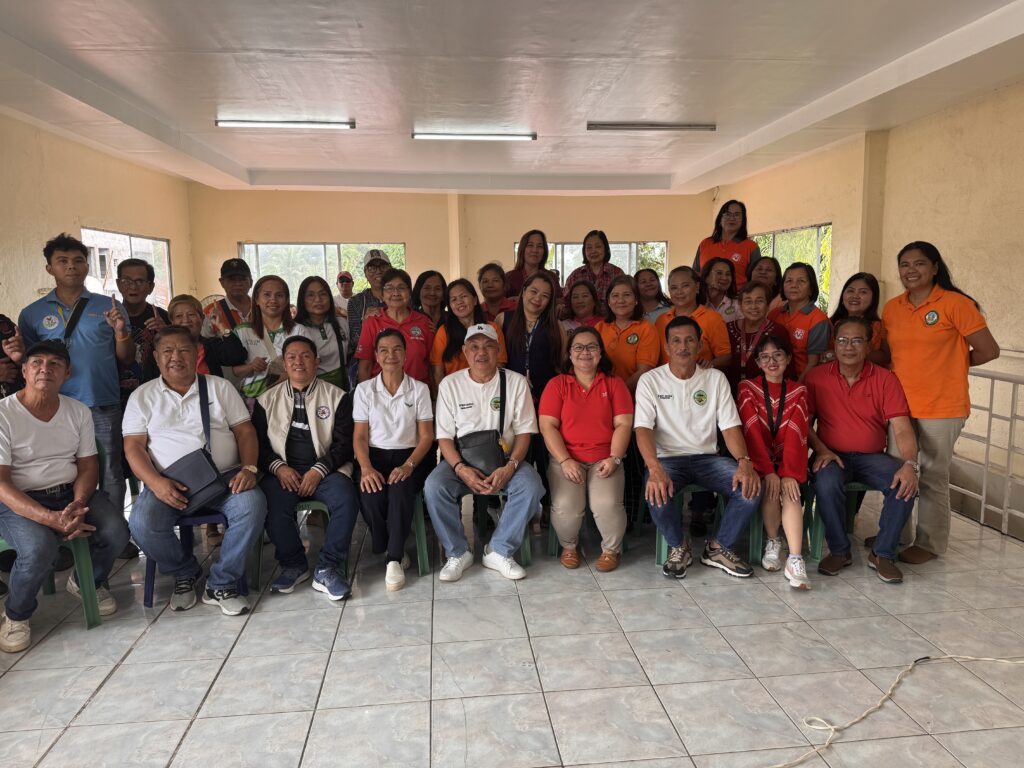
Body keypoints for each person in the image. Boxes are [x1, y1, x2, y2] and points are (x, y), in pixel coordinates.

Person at [124, 326, 267, 615]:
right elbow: (134, 447)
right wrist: (155, 483)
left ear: (197, 353)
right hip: (168, 484)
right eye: (167, 351)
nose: (176, 357)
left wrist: (249, 468)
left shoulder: (219, 387)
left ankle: (221, 582)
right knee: (141, 523)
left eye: (184, 350)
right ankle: (184, 572)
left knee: (252, 504)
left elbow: (245, 432)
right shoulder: (142, 396)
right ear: (156, 357)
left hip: (224, 479)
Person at [0, 341, 130, 652]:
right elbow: (2, 483)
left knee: (117, 532)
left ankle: (87, 582)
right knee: (39, 549)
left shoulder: (78, 411)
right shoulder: (4, 413)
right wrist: (50, 518)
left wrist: (78, 504)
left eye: (55, 364)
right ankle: (16, 614)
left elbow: (88, 466)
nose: (45, 369)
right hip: (18, 500)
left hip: (70, 493)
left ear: (67, 373)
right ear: (24, 370)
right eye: (37, 363)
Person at [881, 241, 1000, 563]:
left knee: (933, 476)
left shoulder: (956, 304)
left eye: (919, 263)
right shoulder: (893, 308)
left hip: (942, 406)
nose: (911, 271)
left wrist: (954, 363)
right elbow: (892, 354)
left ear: (935, 268)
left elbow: (989, 350)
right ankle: (895, 535)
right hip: (900, 406)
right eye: (904, 264)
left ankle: (929, 544)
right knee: (897, 471)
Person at [635, 316, 761, 579]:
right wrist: (654, 468)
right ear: (666, 347)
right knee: (655, 491)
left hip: (707, 458)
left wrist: (744, 461)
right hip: (667, 459)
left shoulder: (715, 379)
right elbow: (643, 429)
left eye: (689, 340)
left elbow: (730, 427)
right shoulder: (650, 380)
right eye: (676, 341)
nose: (683, 347)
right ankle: (679, 546)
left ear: (700, 345)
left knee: (749, 488)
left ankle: (719, 548)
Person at [19, 233, 135, 513]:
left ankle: (114, 529)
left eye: (78, 260)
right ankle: (69, 525)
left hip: (101, 402)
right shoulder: (32, 313)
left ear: (87, 266)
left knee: (110, 469)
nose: (71, 266)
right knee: (61, 470)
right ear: (50, 268)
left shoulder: (109, 307)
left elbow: (127, 358)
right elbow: (30, 363)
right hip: (53, 406)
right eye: (62, 261)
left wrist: (120, 332)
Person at [805, 317, 922, 582]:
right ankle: (839, 550)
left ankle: (883, 553)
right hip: (831, 455)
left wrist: (910, 464)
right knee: (826, 483)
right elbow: (804, 424)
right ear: (834, 345)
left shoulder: (885, 379)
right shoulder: (816, 377)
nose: (849, 347)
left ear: (869, 346)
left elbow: (903, 428)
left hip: (872, 457)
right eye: (842, 340)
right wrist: (821, 450)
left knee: (904, 483)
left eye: (857, 341)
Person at [425, 323, 543, 582]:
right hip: (460, 461)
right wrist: (461, 469)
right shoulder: (450, 384)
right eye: (474, 347)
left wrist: (510, 467)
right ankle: (458, 552)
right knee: (434, 487)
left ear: (498, 351)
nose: (481, 352)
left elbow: (524, 432)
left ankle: (499, 550)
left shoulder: (516, 382)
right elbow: (444, 437)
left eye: (489, 346)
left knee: (531, 485)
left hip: (506, 460)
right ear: (465, 352)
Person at [251, 335, 359, 600]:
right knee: (271, 503)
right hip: (282, 472)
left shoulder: (337, 397)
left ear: (317, 361)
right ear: (284, 363)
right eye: (291, 357)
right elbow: (257, 446)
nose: (298, 362)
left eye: (305, 356)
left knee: (346, 499)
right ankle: (294, 564)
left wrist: (318, 470)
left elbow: (344, 445)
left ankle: (328, 567)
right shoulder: (266, 400)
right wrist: (278, 468)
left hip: (326, 470)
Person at [539, 327, 632, 571]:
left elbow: (624, 424)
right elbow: (547, 426)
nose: (585, 352)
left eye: (591, 347)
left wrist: (614, 458)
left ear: (600, 353)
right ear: (569, 354)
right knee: (566, 507)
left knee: (606, 504)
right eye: (578, 347)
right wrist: (565, 460)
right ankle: (569, 547)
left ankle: (611, 550)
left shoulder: (614, 384)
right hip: (567, 460)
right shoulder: (557, 384)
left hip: (605, 459)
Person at [353, 329, 434, 592]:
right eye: (384, 350)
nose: (391, 355)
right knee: (370, 495)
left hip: (412, 456)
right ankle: (387, 542)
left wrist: (409, 465)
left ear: (405, 354)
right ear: (376, 356)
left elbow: (426, 437)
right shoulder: (364, 390)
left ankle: (394, 559)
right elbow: (360, 436)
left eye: (397, 349)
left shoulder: (419, 389)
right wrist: (366, 468)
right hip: (374, 456)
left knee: (400, 491)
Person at [737, 335, 810, 589]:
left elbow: (796, 432)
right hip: (758, 459)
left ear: (788, 358)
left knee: (791, 491)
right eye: (765, 357)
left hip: (789, 458)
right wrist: (768, 470)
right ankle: (773, 540)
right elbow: (751, 431)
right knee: (770, 485)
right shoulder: (747, 388)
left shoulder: (799, 391)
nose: (772, 361)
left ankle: (795, 558)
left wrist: (788, 472)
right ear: (757, 362)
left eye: (778, 355)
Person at [499, 272, 566, 508]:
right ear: (523, 291)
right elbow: (499, 360)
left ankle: (548, 506)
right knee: (514, 449)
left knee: (545, 452)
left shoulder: (556, 326)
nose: (538, 299)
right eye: (534, 292)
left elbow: (561, 364)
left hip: (545, 399)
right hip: (511, 398)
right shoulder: (503, 319)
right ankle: (513, 504)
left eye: (545, 296)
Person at [233, 275, 312, 399]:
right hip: (252, 400)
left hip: (290, 398)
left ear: (286, 300)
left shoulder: (299, 330)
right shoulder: (242, 331)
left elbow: (311, 364)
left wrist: (289, 375)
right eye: (267, 295)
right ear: (256, 299)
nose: (273, 300)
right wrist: (251, 366)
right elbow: (235, 371)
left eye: (279, 295)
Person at [355, 268, 434, 385]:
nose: (396, 293)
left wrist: (433, 394)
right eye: (389, 288)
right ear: (382, 295)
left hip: (418, 392)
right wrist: (365, 394)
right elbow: (365, 367)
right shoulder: (372, 322)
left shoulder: (424, 322)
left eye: (401, 288)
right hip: (381, 393)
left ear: (409, 293)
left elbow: (432, 364)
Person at [430, 279, 508, 384]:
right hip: (454, 389)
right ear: (450, 306)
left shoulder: (492, 328)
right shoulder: (443, 332)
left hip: (488, 387)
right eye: (454, 299)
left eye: (463, 296)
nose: (459, 302)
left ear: (475, 300)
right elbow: (437, 371)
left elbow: (500, 364)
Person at [654, 266, 731, 370]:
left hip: (700, 378)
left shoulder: (712, 318)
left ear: (697, 287)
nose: (679, 292)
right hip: (665, 379)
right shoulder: (661, 320)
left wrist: (709, 364)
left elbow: (726, 357)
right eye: (674, 288)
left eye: (685, 286)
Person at [115, 258, 170, 399]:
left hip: (156, 395)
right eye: (126, 281)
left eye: (139, 281)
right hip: (115, 395)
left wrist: (166, 332)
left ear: (151, 287)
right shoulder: (109, 318)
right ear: (118, 284)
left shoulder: (163, 317)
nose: (133, 287)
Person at [595, 276, 659, 394]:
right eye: (615, 296)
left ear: (636, 300)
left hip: (633, 397)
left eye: (627, 295)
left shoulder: (647, 329)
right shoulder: (599, 327)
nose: (621, 300)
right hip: (600, 394)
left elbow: (644, 371)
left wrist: (617, 394)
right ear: (608, 301)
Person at [726, 281, 791, 390]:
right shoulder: (727, 329)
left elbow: (787, 372)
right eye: (748, 301)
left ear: (768, 305)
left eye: (759, 301)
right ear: (740, 305)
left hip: (766, 396)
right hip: (728, 394)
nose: (754, 306)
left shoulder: (778, 331)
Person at [769, 263, 830, 379]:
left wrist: (796, 387)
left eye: (801, 281)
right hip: (775, 380)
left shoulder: (818, 320)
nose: (794, 285)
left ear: (811, 288)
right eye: (789, 281)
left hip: (803, 382)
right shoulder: (774, 314)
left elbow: (814, 364)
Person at [168, 295, 247, 378]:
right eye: (179, 316)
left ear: (202, 318)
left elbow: (238, 356)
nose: (186, 320)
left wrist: (221, 325)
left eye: (191, 314)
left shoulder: (211, 345)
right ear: (172, 322)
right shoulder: (165, 349)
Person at [346, 250, 391, 384]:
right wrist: (364, 323)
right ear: (365, 272)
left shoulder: (402, 298)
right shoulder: (356, 302)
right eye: (372, 267)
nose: (378, 271)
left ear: (390, 269)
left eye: (383, 266)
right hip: (369, 370)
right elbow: (354, 342)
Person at [295, 276, 349, 388]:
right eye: (311, 295)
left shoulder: (342, 323)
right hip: (312, 389)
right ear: (302, 300)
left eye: (323, 294)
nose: (318, 299)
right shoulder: (296, 330)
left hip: (343, 387)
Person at [694, 200, 762, 288]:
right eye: (727, 214)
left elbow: (756, 280)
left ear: (743, 220)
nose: (732, 218)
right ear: (720, 219)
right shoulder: (705, 243)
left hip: (737, 295)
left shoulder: (751, 247)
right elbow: (695, 274)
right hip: (705, 295)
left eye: (737, 215)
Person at [825, 272, 889, 366]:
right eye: (850, 291)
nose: (855, 296)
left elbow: (886, 357)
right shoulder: (829, 324)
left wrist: (853, 354)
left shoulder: (880, 326)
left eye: (863, 292)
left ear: (873, 298)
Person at [562, 230, 624, 309]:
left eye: (598, 246)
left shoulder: (617, 273)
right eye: (589, 247)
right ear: (584, 251)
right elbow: (565, 302)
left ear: (605, 248)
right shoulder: (575, 275)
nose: (593, 251)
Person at [202, 258, 253, 338]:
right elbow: (205, 343)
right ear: (221, 282)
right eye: (231, 279)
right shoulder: (210, 312)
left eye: (242, 279)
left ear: (251, 282)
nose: (238, 283)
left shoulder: (263, 307)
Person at [507, 230, 561, 297]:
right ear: (522, 249)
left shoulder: (551, 277)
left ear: (544, 251)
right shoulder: (510, 277)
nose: (535, 250)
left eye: (539, 246)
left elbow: (560, 300)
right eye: (530, 245)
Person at [702, 257, 740, 323]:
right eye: (719, 273)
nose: (724, 278)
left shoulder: (738, 303)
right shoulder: (695, 302)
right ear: (706, 277)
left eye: (728, 274)